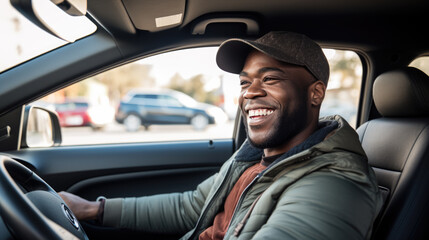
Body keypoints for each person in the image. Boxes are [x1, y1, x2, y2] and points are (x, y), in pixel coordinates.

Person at [60, 31, 383, 240]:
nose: (251, 93)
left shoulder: (335, 184)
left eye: (270, 79)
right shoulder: (256, 157)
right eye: (245, 82)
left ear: (315, 94)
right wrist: (94, 209)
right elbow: (192, 206)